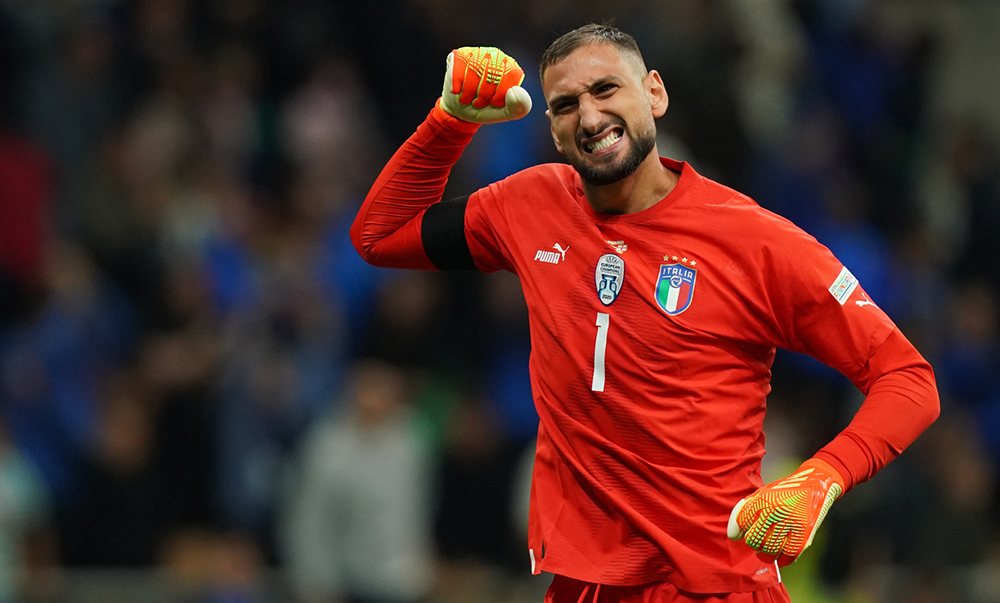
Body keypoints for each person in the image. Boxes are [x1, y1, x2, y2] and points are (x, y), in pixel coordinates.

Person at [350, 25, 939, 603]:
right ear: (553, 131)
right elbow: (379, 235)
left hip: (711, 585)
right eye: (565, 105)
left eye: (606, 90)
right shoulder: (529, 204)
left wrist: (824, 477)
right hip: (583, 584)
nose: (588, 117)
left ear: (654, 93)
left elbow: (908, 379)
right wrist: (451, 121)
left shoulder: (754, 242)